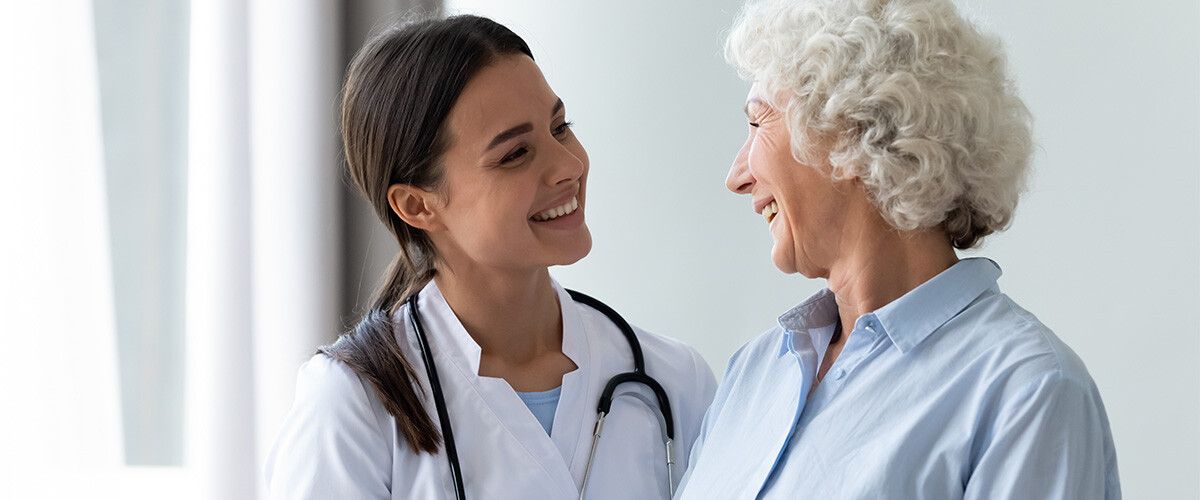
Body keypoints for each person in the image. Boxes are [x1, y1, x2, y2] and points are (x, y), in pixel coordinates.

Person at [675, 0, 1120, 498]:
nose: (737, 177)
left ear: (847, 131)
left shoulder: (1027, 389)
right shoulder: (754, 372)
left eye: (758, 124)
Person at [264, 15, 716, 499]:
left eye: (560, 127)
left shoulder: (672, 381)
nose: (569, 166)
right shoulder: (351, 406)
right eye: (515, 154)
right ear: (418, 205)